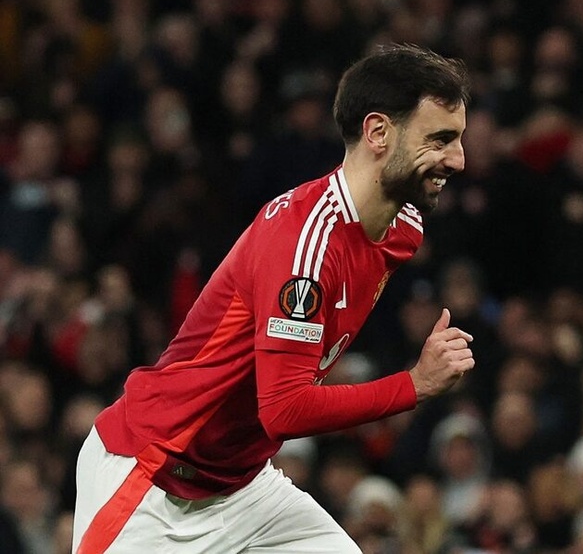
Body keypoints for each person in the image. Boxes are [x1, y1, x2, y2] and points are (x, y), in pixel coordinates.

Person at [71, 44, 476, 553]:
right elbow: (284, 410)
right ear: (377, 133)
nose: (458, 159)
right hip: (154, 477)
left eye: (458, 139)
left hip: (240, 486)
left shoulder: (403, 228)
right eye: (440, 139)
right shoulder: (303, 244)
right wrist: (413, 385)